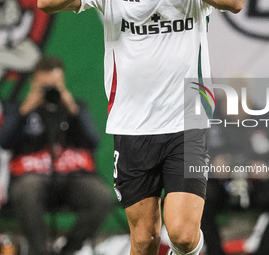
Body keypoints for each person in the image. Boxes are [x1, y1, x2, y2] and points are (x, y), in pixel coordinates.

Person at [36, 1, 245, 255]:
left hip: (186, 123)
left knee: (183, 235)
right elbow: (46, 4)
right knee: (145, 238)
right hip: (132, 127)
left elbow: (235, 4)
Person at [0, 56, 113, 255]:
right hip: (32, 179)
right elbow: (4, 142)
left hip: (72, 178)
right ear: (35, 82)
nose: (50, 91)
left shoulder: (75, 107)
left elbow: (93, 141)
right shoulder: (19, 109)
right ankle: (40, 252)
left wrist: (71, 108)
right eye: (45, 86)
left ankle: (68, 250)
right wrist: (26, 109)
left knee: (101, 196)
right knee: (26, 189)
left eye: (55, 86)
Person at [201, 84, 269, 255]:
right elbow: (184, 161)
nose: (236, 108)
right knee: (197, 195)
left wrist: (268, 169)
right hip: (219, 189)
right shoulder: (206, 122)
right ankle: (214, 251)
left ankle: (266, 251)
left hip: (258, 189)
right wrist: (211, 166)